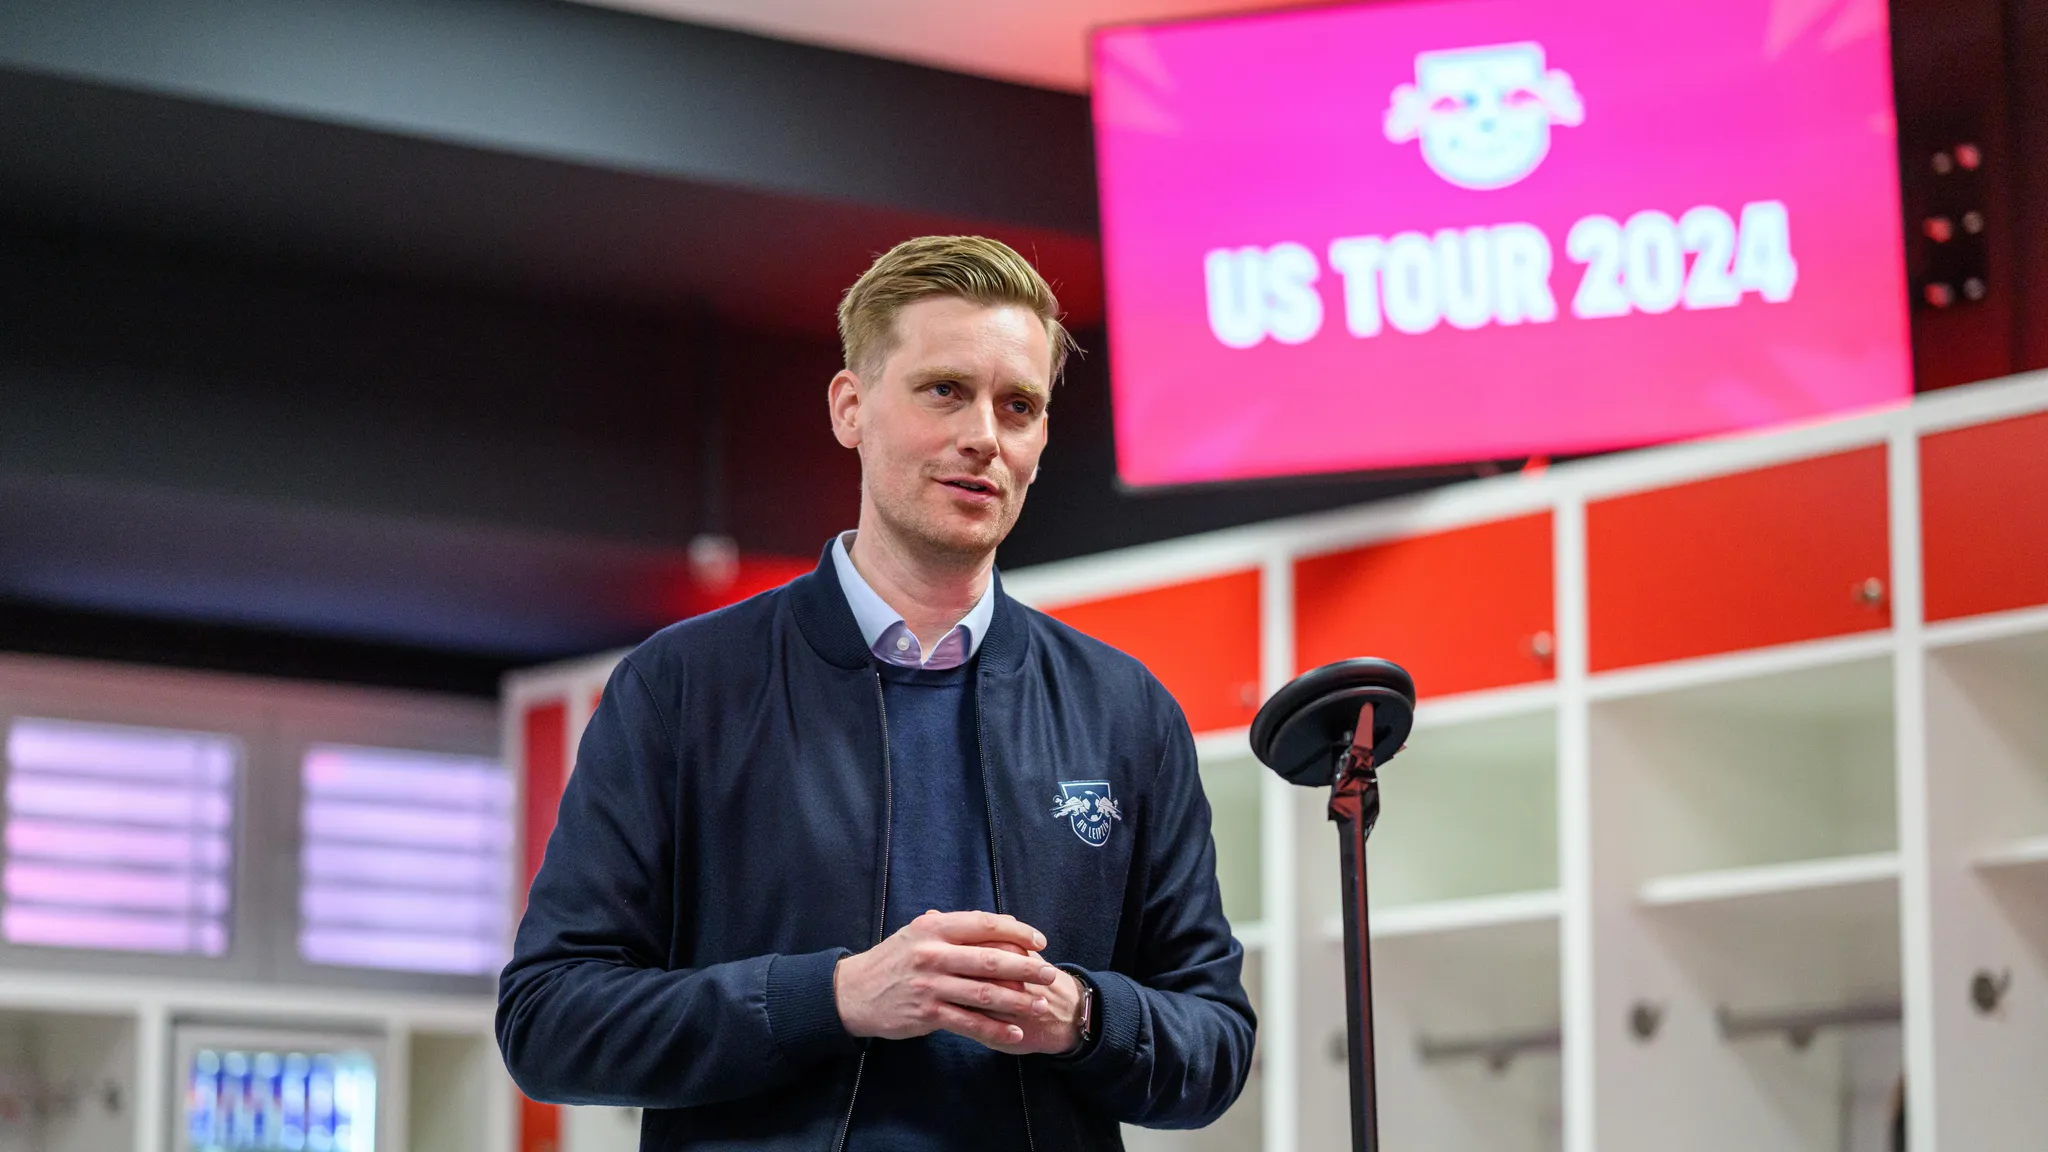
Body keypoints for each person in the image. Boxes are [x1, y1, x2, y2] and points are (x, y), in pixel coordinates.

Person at [497, 235, 1254, 1151]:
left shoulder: (1125, 711)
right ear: (851, 408)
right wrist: (834, 998)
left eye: (1019, 405)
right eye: (945, 390)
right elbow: (549, 1022)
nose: (985, 433)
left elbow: (1214, 1044)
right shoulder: (682, 688)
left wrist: (1083, 1015)